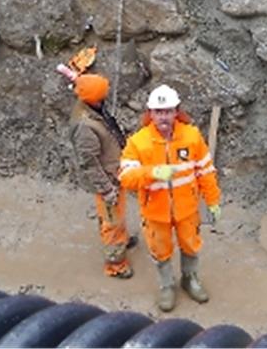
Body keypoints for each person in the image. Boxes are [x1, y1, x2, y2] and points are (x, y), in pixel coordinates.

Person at [119, 84, 221, 312]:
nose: (163, 117)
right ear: (150, 114)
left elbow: (205, 171)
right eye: (158, 111)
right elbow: (126, 177)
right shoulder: (138, 142)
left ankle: (190, 279)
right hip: (155, 212)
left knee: (191, 245)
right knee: (159, 249)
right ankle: (167, 286)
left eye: (168, 111)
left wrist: (213, 200)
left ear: (177, 111)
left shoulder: (192, 137)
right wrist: (151, 173)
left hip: (187, 209)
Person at [68, 73, 134, 280]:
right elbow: (89, 162)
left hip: (113, 172)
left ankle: (121, 240)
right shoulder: (85, 127)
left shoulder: (92, 108)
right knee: (111, 221)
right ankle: (116, 264)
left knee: (116, 213)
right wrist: (106, 189)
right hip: (107, 180)